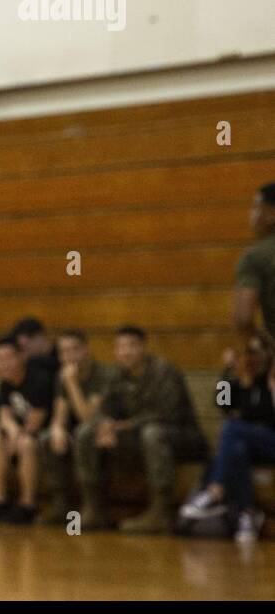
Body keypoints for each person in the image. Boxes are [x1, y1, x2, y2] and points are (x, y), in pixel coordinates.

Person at [73, 325, 207, 533]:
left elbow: (167, 415)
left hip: (181, 438)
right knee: (85, 433)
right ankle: (93, 507)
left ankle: (161, 512)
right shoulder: (117, 375)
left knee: (153, 433)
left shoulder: (164, 371)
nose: (125, 352)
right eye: (120, 347)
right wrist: (104, 424)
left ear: (143, 348)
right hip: (139, 436)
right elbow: (104, 408)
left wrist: (124, 426)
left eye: (131, 346)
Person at [178, 344, 275, 542]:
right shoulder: (238, 382)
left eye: (253, 355)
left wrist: (250, 386)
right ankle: (246, 515)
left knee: (232, 427)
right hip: (255, 446)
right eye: (246, 355)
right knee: (237, 450)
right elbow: (222, 404)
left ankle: (215, 490)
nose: (249, 360)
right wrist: (227, 375)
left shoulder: (267, 383)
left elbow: (265, 415)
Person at [37, 329, 117, 524]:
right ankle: (60, 504)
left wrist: (72, 383)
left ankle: (93, 507)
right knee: (48, 437)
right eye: (63, 352)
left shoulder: (103, 374)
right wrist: (56, 428)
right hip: (86, 432)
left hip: (110, 431)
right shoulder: (63, 376)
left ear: (86, 350)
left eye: (74, 350)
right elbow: (60, 412)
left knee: (84, 432)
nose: (69, 356)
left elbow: (88, 418)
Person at [0, 336, 52, 524]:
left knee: (26, 444)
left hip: (45, 433)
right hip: (20, 433)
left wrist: (17, 436)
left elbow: (35, 422)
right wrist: (13, 433)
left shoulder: (39, 380)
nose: (3, 364)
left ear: (22, 356)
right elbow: (4, 416)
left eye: (8, 358)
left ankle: (28, 504)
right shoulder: (4, 383)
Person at [232, 181, 275, 354]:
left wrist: (259, 346)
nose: (251, 214)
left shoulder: (256, 257)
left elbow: (243, 318)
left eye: (257, 207)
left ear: (272, 214)